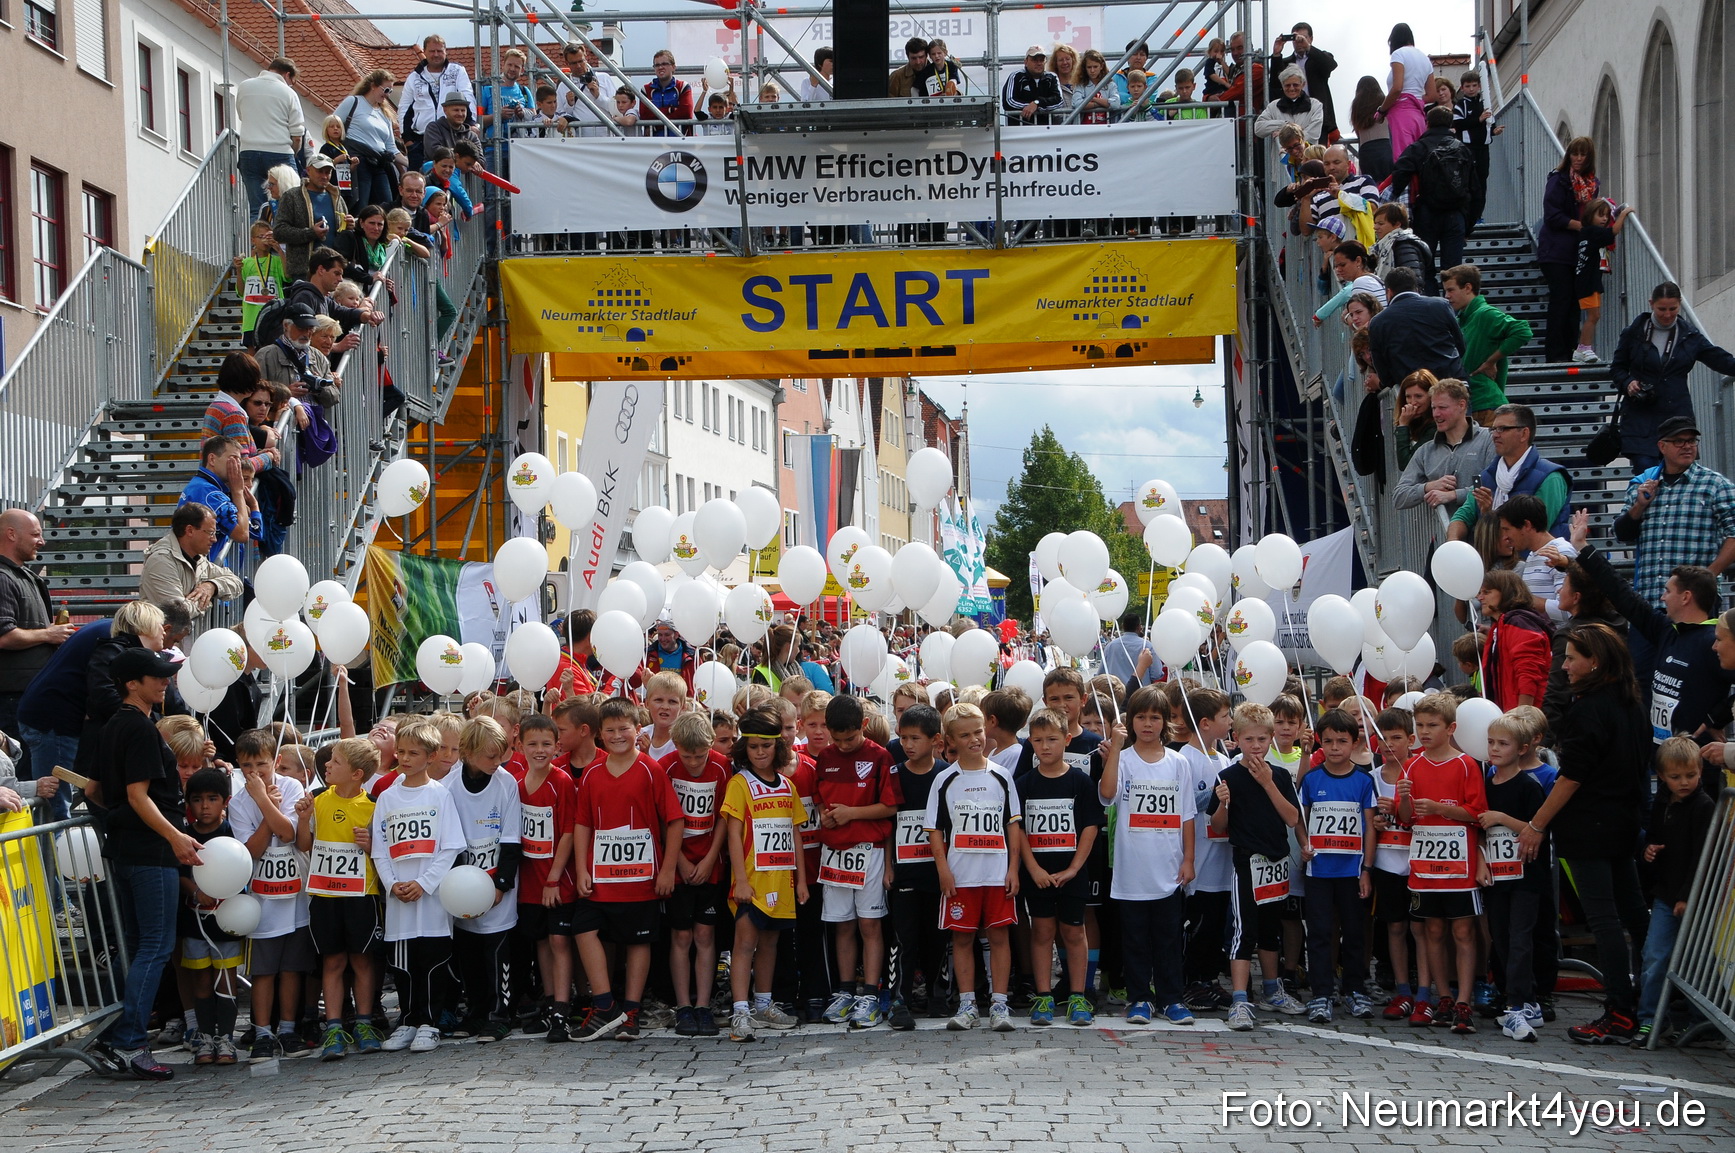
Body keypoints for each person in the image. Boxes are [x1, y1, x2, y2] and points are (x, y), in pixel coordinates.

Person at [1519, 623, 1651, 1044]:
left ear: (1594, 661)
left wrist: (1537, 823)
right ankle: (1646, 1001)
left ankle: (1620, 1011)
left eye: (1572, 657)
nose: (1565, 665)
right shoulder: (1631, 702)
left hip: (1593, 827)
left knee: (1605, 919)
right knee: (1632, 915)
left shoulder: (1591, 708)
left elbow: (1571, 776)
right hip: (1623, 822)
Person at [84, 647, 202, 1081]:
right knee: (154, 947)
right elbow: (138, 795)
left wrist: (119, 822)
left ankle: (120, 1036)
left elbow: (94, 790)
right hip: (151, 853)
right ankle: (129, 1042)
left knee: (138, 946)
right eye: (157, 676)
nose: (165, 681)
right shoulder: (138, 728)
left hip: (128, 850)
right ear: (132, 683)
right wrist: (174, 836)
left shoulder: (116, 725)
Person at [572, 698, 683, 1041]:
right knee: (584, 929)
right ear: (600, 736)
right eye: (610, 730)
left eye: (624, 729)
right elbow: (582, 824)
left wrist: (667, 870)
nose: (618, 735)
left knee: (638, 942)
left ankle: (630, 1011)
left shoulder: (651, 770)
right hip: (602, 877)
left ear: (639, 730)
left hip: (642, 877)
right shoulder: (592, 773)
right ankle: (605, 1004)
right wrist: (581, 869)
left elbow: (675, 821)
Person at [1566, 528, 1730, 745]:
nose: (1662, 597)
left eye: (1668, 591)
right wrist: (1583, 548)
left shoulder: (1713, 642)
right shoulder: (1666, 630)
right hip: (1663, 754)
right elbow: (1621, 593)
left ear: (1686, 597)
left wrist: (1716, 718)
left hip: (1696, 763)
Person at [1096, 687, 1195, 1026]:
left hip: (1168, 871)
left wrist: (1189, 859)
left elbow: (1186, 815)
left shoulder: (1178, 762)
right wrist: (1114, 752)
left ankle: (1172, 999)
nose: (1148, 723)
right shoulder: (1122, 759)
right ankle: (1140, 998)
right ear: (1130, 721)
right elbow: (1107, 795)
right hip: (1131, 872)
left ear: (1166, 721)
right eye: (1141, 717)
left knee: (1168, 939)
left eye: (1155, 717)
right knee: (1135, 940)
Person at [369, 717, 464, 1054]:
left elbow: (450, 846)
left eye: (413, 753)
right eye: (401, 752)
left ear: (431, 755)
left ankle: (431, 1022)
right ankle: (408, 1020)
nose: (405, 759)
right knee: (404, 964)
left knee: (432, 960)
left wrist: (424, 884)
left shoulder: (440, 795)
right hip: (399, 900)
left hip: (431, 898)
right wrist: (393, 884)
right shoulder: (388, 798)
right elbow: (380, 849)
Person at [925, 703, 1022, 1032]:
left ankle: (999, 1004)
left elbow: (1013, 826)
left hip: (996, 874)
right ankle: (967, 1004)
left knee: (999, 937)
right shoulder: (944, 780)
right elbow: (935, 829)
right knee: (963, 939)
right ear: (950, 739)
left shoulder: (1002, 776)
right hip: (961, 875)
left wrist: (1013, 869)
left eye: (978, 731)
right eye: (965, 735)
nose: (974, 739)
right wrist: (943, 869)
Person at [1208, 701, 1304, 1030]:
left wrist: (1268, 784)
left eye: (1262, 740)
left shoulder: (1278, 775)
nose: (1256, 747)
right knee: (1243, 930)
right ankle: (1239, 999)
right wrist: (1223, 802)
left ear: (1272, 738)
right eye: (1249, 740)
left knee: (1270, 930)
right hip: (1246, 862)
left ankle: (1273, 990)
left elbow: (1292, 817)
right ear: (1236, 738)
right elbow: (1219, 825)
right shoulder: (1228, 775)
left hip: (1275, 862)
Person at [1397, 693, 1487, 1034]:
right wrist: (1405, 798)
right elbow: (1406, 819)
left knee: (1463, 930)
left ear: (1450, 728)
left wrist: (1439, 809)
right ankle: (1444, 996)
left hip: (1459, 866)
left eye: (1432, 725)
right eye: (1419, 725)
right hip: (1424, 866)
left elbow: (1476, 814)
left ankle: (1464, 1001)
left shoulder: (1466, 764)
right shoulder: (1412, 765)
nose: (1424, 732)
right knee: (1432, 929)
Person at [721, 705, 809, 1041]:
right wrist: (740, 880)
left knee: (771, 944)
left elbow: (795, 833)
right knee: (745, 944)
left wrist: (801, 880)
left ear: (778, 747)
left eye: (767, 746)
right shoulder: (740, 784)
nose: (760, 752)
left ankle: (763, 1004)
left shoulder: (787, 786)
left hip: (782, 881)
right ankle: (740, 1010)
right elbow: (732, 832)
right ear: (746, 748)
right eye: (754, 746)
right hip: (751, 882)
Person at [295, 735, 386, 1058]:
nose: (327, 766)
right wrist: (304, 820)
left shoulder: (374, 806)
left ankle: (363, 1022)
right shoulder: (318, 800)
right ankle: (334, 1027)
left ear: (357, 774)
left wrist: (370, 845)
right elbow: (304, 845)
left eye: (335, 761)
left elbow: (384, 853)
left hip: (361, 896)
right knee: (332, 961)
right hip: (325, 896)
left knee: (361, 960)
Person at [814, 693, 900, 1028]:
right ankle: (845, 992)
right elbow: (821, 799)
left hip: (870, 852)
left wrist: (850, 814)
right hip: (834, 852)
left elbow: (890, 807)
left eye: (850, 738)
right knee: (842, 924)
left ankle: (869, 993)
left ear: (863, 726)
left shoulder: (880, 757)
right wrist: (828, 815)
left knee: (870, 924)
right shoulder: (825, 757)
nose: (844, 745)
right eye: (837, 739)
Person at [1014, 707, 1104, 1026]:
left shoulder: (1080, 782)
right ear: (1031, 744)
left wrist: (1074, 869)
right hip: (1036, 873)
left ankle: (1079, 995)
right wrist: (1033, 868)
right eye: (1037, 740)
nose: (1045, 746)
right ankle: (1044, 996)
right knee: (1042, 931)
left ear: (1066, 739)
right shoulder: (1024, 784)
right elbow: (1018, 829)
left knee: (1073, 931)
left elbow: (1091, 827)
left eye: (1052, 739)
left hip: (1072, 873)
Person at [227, 727, 313, 1061]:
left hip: (294, 896)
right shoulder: (238, 802)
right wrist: (264, 804)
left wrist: (266, 800)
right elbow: (251, 850)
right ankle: (263, 1031)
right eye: (247, 766)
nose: (255, 773)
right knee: (263, 969)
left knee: (292, 967)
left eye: (261, 765)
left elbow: (290, 833)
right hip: (262, 897)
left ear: (275, 761)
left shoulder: (292, 786)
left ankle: (288, 1029)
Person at [1611, 415, 1735, 621]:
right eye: (1679, 441)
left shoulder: (1715, 485)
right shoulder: (1643, 485)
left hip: (1695, 601)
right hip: (1649, 599)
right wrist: (1639, 506)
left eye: (1691, 441)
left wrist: (1709, 575)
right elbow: (1621, 534)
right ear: (1662, 446)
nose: (1687, 447)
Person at [1477, 711, 1553, 1042]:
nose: (1494, 749)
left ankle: (1517, 1005)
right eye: (1491, 742)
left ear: (1521, 748)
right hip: (1496, 875)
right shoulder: (1484, 784)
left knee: (1522, 938)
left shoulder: (1528, 786)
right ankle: (1525, 1000)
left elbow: (1537, 830)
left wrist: (1502, 818)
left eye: (1503, 744)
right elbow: (1477, 828)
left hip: (1526, 876)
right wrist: (1481, 861)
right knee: (1502, 937)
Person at [1298, 709, 1378, 1023]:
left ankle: (1355, 989)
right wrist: (1304, 843)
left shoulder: (1363, 780)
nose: (1334, 747)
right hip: (1319, 872)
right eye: (1328, 741)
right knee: (1319, 932)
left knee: (1354, 932)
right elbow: (1300, 819)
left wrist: (1367, 870)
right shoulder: (1311, 779)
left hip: (1352, 872)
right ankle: (1321, 992)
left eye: (1341, 741)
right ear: (1320, 741)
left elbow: (1370, 827)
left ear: (1353, 743)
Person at [1636, 737, 1715, 1043]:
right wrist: (1648, 850)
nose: (1684, 783)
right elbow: (1654, 837)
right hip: (1666, 894)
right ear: (1662, 776)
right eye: (1676, 777)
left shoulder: (1704, 806)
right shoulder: (1662, 803)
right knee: (1654, 956)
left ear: (1700, 771)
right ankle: (1650, 1018)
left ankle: (1700, 1021)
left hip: (1691, 896)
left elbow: (1702, 855)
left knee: (1697, 960)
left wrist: (1686, 895)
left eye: (1691, 776)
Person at [1611, 284, 1735, 473]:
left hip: (1677, 416)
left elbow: (1719, 359)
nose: (1667, 315)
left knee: (1680, 476)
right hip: (1640, 418)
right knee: (1646, 473)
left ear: (1680, 305)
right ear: (1651, 304)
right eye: (1662, 309)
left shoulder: (1690, 336)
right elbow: (1617, 368)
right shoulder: (1634, 332)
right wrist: (1628, 383)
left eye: (1673, 309)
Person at [659, 711, 730, 1038]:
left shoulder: (720, 766)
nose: (694, 762)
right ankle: (683, 1006)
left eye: (700, 755)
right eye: (687, 756)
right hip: (678, 867)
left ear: (710, 746)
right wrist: (679, 864)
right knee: (681, 936)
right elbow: (662, 820)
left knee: (704, 936)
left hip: (709, 865)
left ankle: (703, 1005)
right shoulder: (667, 767)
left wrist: (711, 858)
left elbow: (723, 817)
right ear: (676, 747)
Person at [514, 702, 579, 1040]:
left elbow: (568, 831)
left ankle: (563, 1008)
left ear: (557, 746)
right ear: (519, 746)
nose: (539, 751)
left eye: (546, 744)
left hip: (557, 879)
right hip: (527, 880)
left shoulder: (562, 782)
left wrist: (554, 877)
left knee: (559, 940)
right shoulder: (514, 782)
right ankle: (550, 999)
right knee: (540, 940)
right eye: (532, 744)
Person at [886, 703, 946, 1027]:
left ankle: (939, 994)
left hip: (937, 873)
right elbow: (888, 825)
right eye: (903, 737)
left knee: (938, 936)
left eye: (915, 738)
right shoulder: (894, 774)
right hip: (905, 871)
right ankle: (900, 999)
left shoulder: (947, 775)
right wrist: (888, 866)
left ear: (936, 740)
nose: (908, 745)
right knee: (904, 938)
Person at [0, 508, 72, 764]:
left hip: (28, 694)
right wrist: (48, 634)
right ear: (11, 534)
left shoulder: (23, 576)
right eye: (35, 535)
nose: (41, 541)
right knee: (19, 775)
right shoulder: (3, 577)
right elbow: (4, 635)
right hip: (12, 700)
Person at [1446, 403, 1573, 541]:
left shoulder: (1551, 477)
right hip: (1492, 560)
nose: (1494, 435)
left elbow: (1533, 533)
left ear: (1524, 434)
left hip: (1539, 561)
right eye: (1493, 429)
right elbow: (1463, 516)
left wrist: (1489, 515)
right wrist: (1453, 545)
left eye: (1502, 429)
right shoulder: (1486, 476)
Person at [1385, 106, 1476, 276]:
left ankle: (1431, 300)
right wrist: (1468, 225)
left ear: (1427, 123)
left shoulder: (1417, 148)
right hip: (1456, 214)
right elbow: (1476, 189)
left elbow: (1399, 174)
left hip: (1426, 213)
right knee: (1454, 272)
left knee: (1425, 267)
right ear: (1450, 124)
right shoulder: (1463, 149)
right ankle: (1453, 301)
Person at [1537, 137, 1602, 364]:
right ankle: (1555, 355)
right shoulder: (1559, 180)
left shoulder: (1592, 183)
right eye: (1575, 154)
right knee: (1561, 300)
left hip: (1578, 252)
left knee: (1575, 302)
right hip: (1555, 250)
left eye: (1583, 154)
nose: (1579, 158)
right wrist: (1580, 226)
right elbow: (1552, 215)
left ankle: (1571, 351)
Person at [1391, 376, 1494, 515]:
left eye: (1442, 408)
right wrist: (1428, 486)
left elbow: (1494, 486)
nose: (1436, 414)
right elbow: (1399, 497)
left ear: (1462, 405)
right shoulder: (1425, 450)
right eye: (1433, 408)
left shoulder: (1489, 439)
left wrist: (1454, 495)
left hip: (1481, 532)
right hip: (1444, 536)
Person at [1443, 264, 1533, 421]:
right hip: (1473, 403)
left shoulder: (1485, 314)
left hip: (1486, 404)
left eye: (1451, 290)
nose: (1446, 296)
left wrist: (1491, 361)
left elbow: (1523, 331)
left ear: (1468, 288)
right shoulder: (1461, 319)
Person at [1368, 267, 1465, 390]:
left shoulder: (1377, 322)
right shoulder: (1441, 305)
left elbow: (1382, 368)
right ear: (1416, 288)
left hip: (1411, 392)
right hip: (1450, 384)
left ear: (1389, 292)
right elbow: (1460, 345)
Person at [139, 504, 243, 618]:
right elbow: (179, 611)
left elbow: (236, 582)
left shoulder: (198, 559)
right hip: (159, 634)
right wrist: (206, 602)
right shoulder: (161, 561)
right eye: (211, 533)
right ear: (190, 530)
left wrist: (212, 586)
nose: (214, 539)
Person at [236, 58, 306, 221]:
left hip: (249, 151)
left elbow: (242, 115)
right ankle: (285, 243)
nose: (290, 85)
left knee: (257, 208)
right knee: (291, 204)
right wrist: (294, 153)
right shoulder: (288, 93)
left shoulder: (245, 86)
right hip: (279, 152)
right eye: (292, 81)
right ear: (287, 75)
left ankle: (258, 245)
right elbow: (297, 135)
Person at [1477, 571, 1553, 711]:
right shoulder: (1501, 625)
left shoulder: (1519, 622)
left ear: (1506, 592)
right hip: (1509, 715)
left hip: (1522, 719)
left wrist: (1522, 716)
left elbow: (1528, 672)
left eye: (1486, 592)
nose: (1479, 597)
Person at [399, 35, 475, 169]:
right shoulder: (414, 77)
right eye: (432, 51)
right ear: (424, 52)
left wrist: (471, 123)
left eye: (439, 51)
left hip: (450, 136)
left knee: (450, 180)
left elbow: (467, 97)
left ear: (446, 51)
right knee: (420, 181)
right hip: (419, 139)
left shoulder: (457, 71)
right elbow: (404, 107)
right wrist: (407, 138)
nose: (436, 54)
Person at [331, 70, 401, 213]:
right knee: (360, 204)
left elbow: (391, 147)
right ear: (373, 86)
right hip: (358, 161)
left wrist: (409, 163)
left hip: (379, 163)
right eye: (386, 90)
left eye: (391, 91)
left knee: (386, 205)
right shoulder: (354, 102)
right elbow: (332, 124)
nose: (387, 94)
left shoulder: (385, 114)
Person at [1499, 494, 1576, 621]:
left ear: (1527, 525)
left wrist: (1523, 599)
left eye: (1507, 529)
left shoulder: (1561, 551)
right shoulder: (1532, 555)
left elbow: (1571, 611)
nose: (1505, 537)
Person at [272, 156, 348, 284]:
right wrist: (310, 233)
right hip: (304, 272)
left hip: (334, 271)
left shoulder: (337, 197)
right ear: (308, 170)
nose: (324, 176)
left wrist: (350, 226)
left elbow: (343, 231)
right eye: (320, 171)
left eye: (327, 172)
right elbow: (279, 232)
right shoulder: (292, 196)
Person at [1451, 69, 1501, 234]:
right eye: (1468, 86)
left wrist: (1494, 130)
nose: (1471, 89)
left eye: (1474, 85)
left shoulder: (1485, 102)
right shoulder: (1460, 105)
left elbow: (1489, 122)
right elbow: (1458, 124)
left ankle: (1478, 216)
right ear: (1462, 88)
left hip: (1483, 148)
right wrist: (1477, 120)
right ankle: (1467, 217)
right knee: (1469, 184)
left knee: (1482, 182)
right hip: (1468, 148)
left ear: (1479, 86)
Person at [1268, 23, 1338, 139]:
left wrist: (1308, 47)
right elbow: (1275, 84)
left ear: (1311, 38)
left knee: (1316, 155)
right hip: (1293, 118)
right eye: (1296, 38)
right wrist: (1276, 54)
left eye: (1303, 38)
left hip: (1317, 117)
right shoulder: (1286, 63)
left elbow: (1331, 65)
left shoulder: (1318, 58)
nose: (1299, 42)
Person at [1379, 23, 1431, 160]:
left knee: (1403, 160)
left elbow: (1397, 88)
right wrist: (1414, 98)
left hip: (1401, 114)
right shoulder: (1425, 59)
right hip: (1419, 115)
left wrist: (1382, 110)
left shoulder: (1398, 54)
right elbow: (1432, 95)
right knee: (1420, 159)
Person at [1372, 202, 1436, 292]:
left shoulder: (1405, 246)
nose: (1375, 227)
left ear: (1397, 224)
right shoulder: (1385, 245)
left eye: (1380, 223)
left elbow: (1412, 282)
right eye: (1375, 223)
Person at [1204, 30, 1264, 116]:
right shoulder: (1232, 71)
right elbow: (1210, 90)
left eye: (1240, 48)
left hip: (1245, 124)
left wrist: (1213, 102)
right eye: (1232, 49)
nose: (1235, 53)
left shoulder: (1257, 69)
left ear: (1249, 48)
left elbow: (1236, 92)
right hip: (1226, 122)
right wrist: (1208, 98)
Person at [1255, 66, 1322, 142]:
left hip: (1306, 153)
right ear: (1282, 85)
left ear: (1303, 84)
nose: (1291, 88)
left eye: (1295, 85)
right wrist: (1284, 124)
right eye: (1287, 85)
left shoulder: (1315, 105)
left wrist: (1287, 134)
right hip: (1280, 153)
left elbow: (1314, 134)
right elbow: (1258, 129)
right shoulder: (1273, 106)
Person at [1002, 46, 1064, 125]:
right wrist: (1030, 106)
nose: (1038, 63)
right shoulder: (1016, 76)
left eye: (1041, 60)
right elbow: (1009, 101)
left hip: (1046, 130)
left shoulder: (1051, 77)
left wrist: (1037, 104)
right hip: (1019, 130)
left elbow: (1059, 101)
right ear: (1026, 62)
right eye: (1034, 60)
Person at [1100, 613, 1157, 687]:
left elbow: (1101, 674)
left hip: (1117, 693)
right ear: (1139, 627)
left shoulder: (1110, 646)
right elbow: (1157, 673)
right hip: (1141, 693)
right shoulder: (1147, 646)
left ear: (1123, 626)